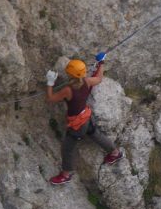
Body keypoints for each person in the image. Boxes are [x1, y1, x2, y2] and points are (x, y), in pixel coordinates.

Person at [45, 54, 123, 185]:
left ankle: (66, 174)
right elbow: (98, 78)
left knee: (67, 149)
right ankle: (115, 153)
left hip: (77, 124)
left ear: (69, 73)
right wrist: (101, 63)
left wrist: (50, 83)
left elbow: (50, 99)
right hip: (86, 116)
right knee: (95, 134)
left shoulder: (68, 90)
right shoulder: (87, 81)